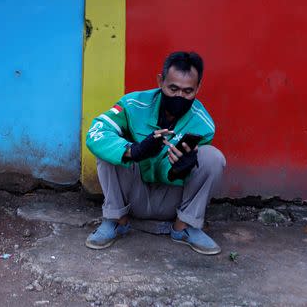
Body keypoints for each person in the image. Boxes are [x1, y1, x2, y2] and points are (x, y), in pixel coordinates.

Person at [84, 51, 226, 255]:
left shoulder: (202, 124)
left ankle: (185, 227)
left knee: (213, 157)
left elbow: (169, 172)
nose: (179, 96)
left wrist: (178, 170)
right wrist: (134, 151)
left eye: (188, 92)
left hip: (171, 202)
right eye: (173, 88)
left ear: (198, 88)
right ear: (160, 81)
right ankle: (116, 221)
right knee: (109, 150)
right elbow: (96, 132)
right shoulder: (132, 104)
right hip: (132, 196)